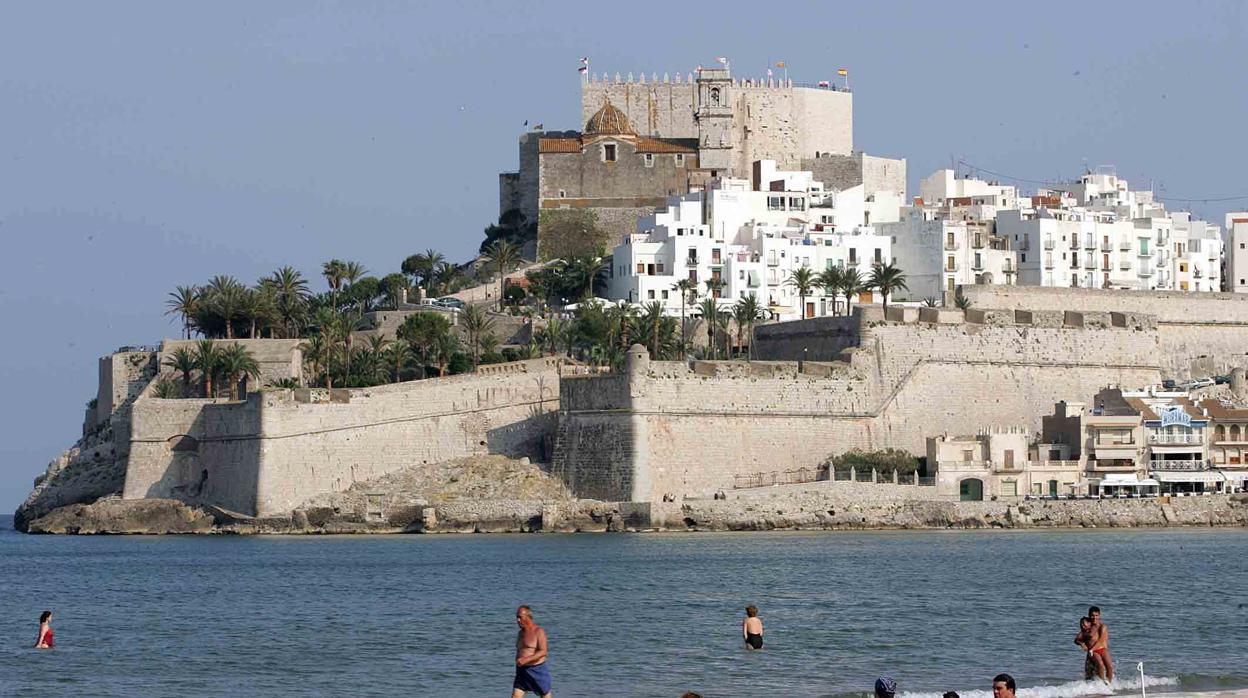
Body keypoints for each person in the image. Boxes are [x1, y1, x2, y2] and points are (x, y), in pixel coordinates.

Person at [513, 605, 552, 698]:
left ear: (528, 617)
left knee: (545, 696)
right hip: (522, 671)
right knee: (515, 696)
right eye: (517, 617)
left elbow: (543, 651)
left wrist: (526, 660)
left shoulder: (539, 631)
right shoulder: (520, 633)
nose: (518, 620)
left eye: (520, 617)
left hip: (537, 670)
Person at [1074, 616, 1107, 680]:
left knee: (1099, 666)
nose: (1082, 625)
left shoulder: (1093, 630)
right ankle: (1089, 688)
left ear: (1089, 624)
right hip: (1089, 655)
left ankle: (1102, 681)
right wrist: (1081, 644)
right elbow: (1076, 640)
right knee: (1088, 674)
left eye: (1083, 623)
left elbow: (1101, 639)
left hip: (1095, 652)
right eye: (1080, 624)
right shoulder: (1082, 632)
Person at [1088, 606, 1114, 683]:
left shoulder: (1103, 627)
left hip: (1102, 649)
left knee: (1110, 666)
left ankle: (1109, 684)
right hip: (1093, 651)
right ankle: (1101, 683)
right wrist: (1082, 644)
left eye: (1096, 615)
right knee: (1100, 665)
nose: (1094, 617)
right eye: (1092, 615)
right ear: (1089, 615)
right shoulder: (1088, 627)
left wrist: (1091, 649)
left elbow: (1101, 640)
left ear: (1099, 615)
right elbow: (1079, 637)